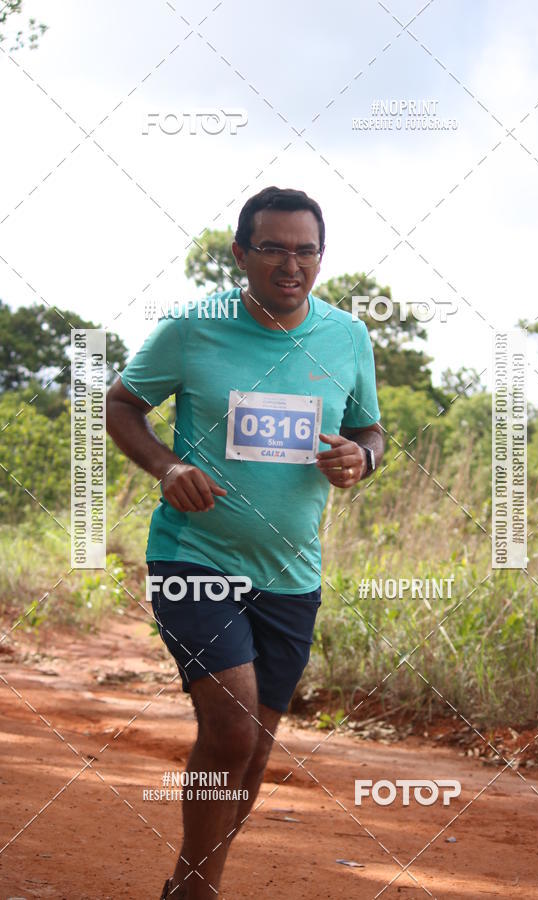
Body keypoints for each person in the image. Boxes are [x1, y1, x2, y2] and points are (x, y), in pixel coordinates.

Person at [106, 186, 384, 899]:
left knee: (253, 757)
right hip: (194, 555)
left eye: (305, 250)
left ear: (320, 257)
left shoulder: (348, 337)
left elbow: (368, 430)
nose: (291, 264)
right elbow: (121, 403)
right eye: (273, 248)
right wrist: (168, 466)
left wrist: (361, 458)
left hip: (291, 573)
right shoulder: (194, 329)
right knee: (229, 730)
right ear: (240, 255)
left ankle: (190, 882)